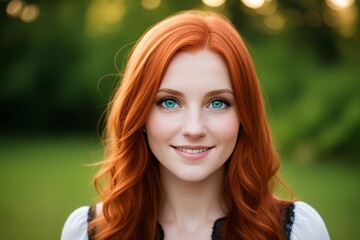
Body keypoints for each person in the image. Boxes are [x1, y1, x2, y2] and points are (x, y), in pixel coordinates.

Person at [61, 10, 330, 240]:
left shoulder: (297, 231)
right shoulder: (88, 232)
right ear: (138, 113)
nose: (193, 128)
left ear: (245, 116)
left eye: (217, 103)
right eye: (169, 102)